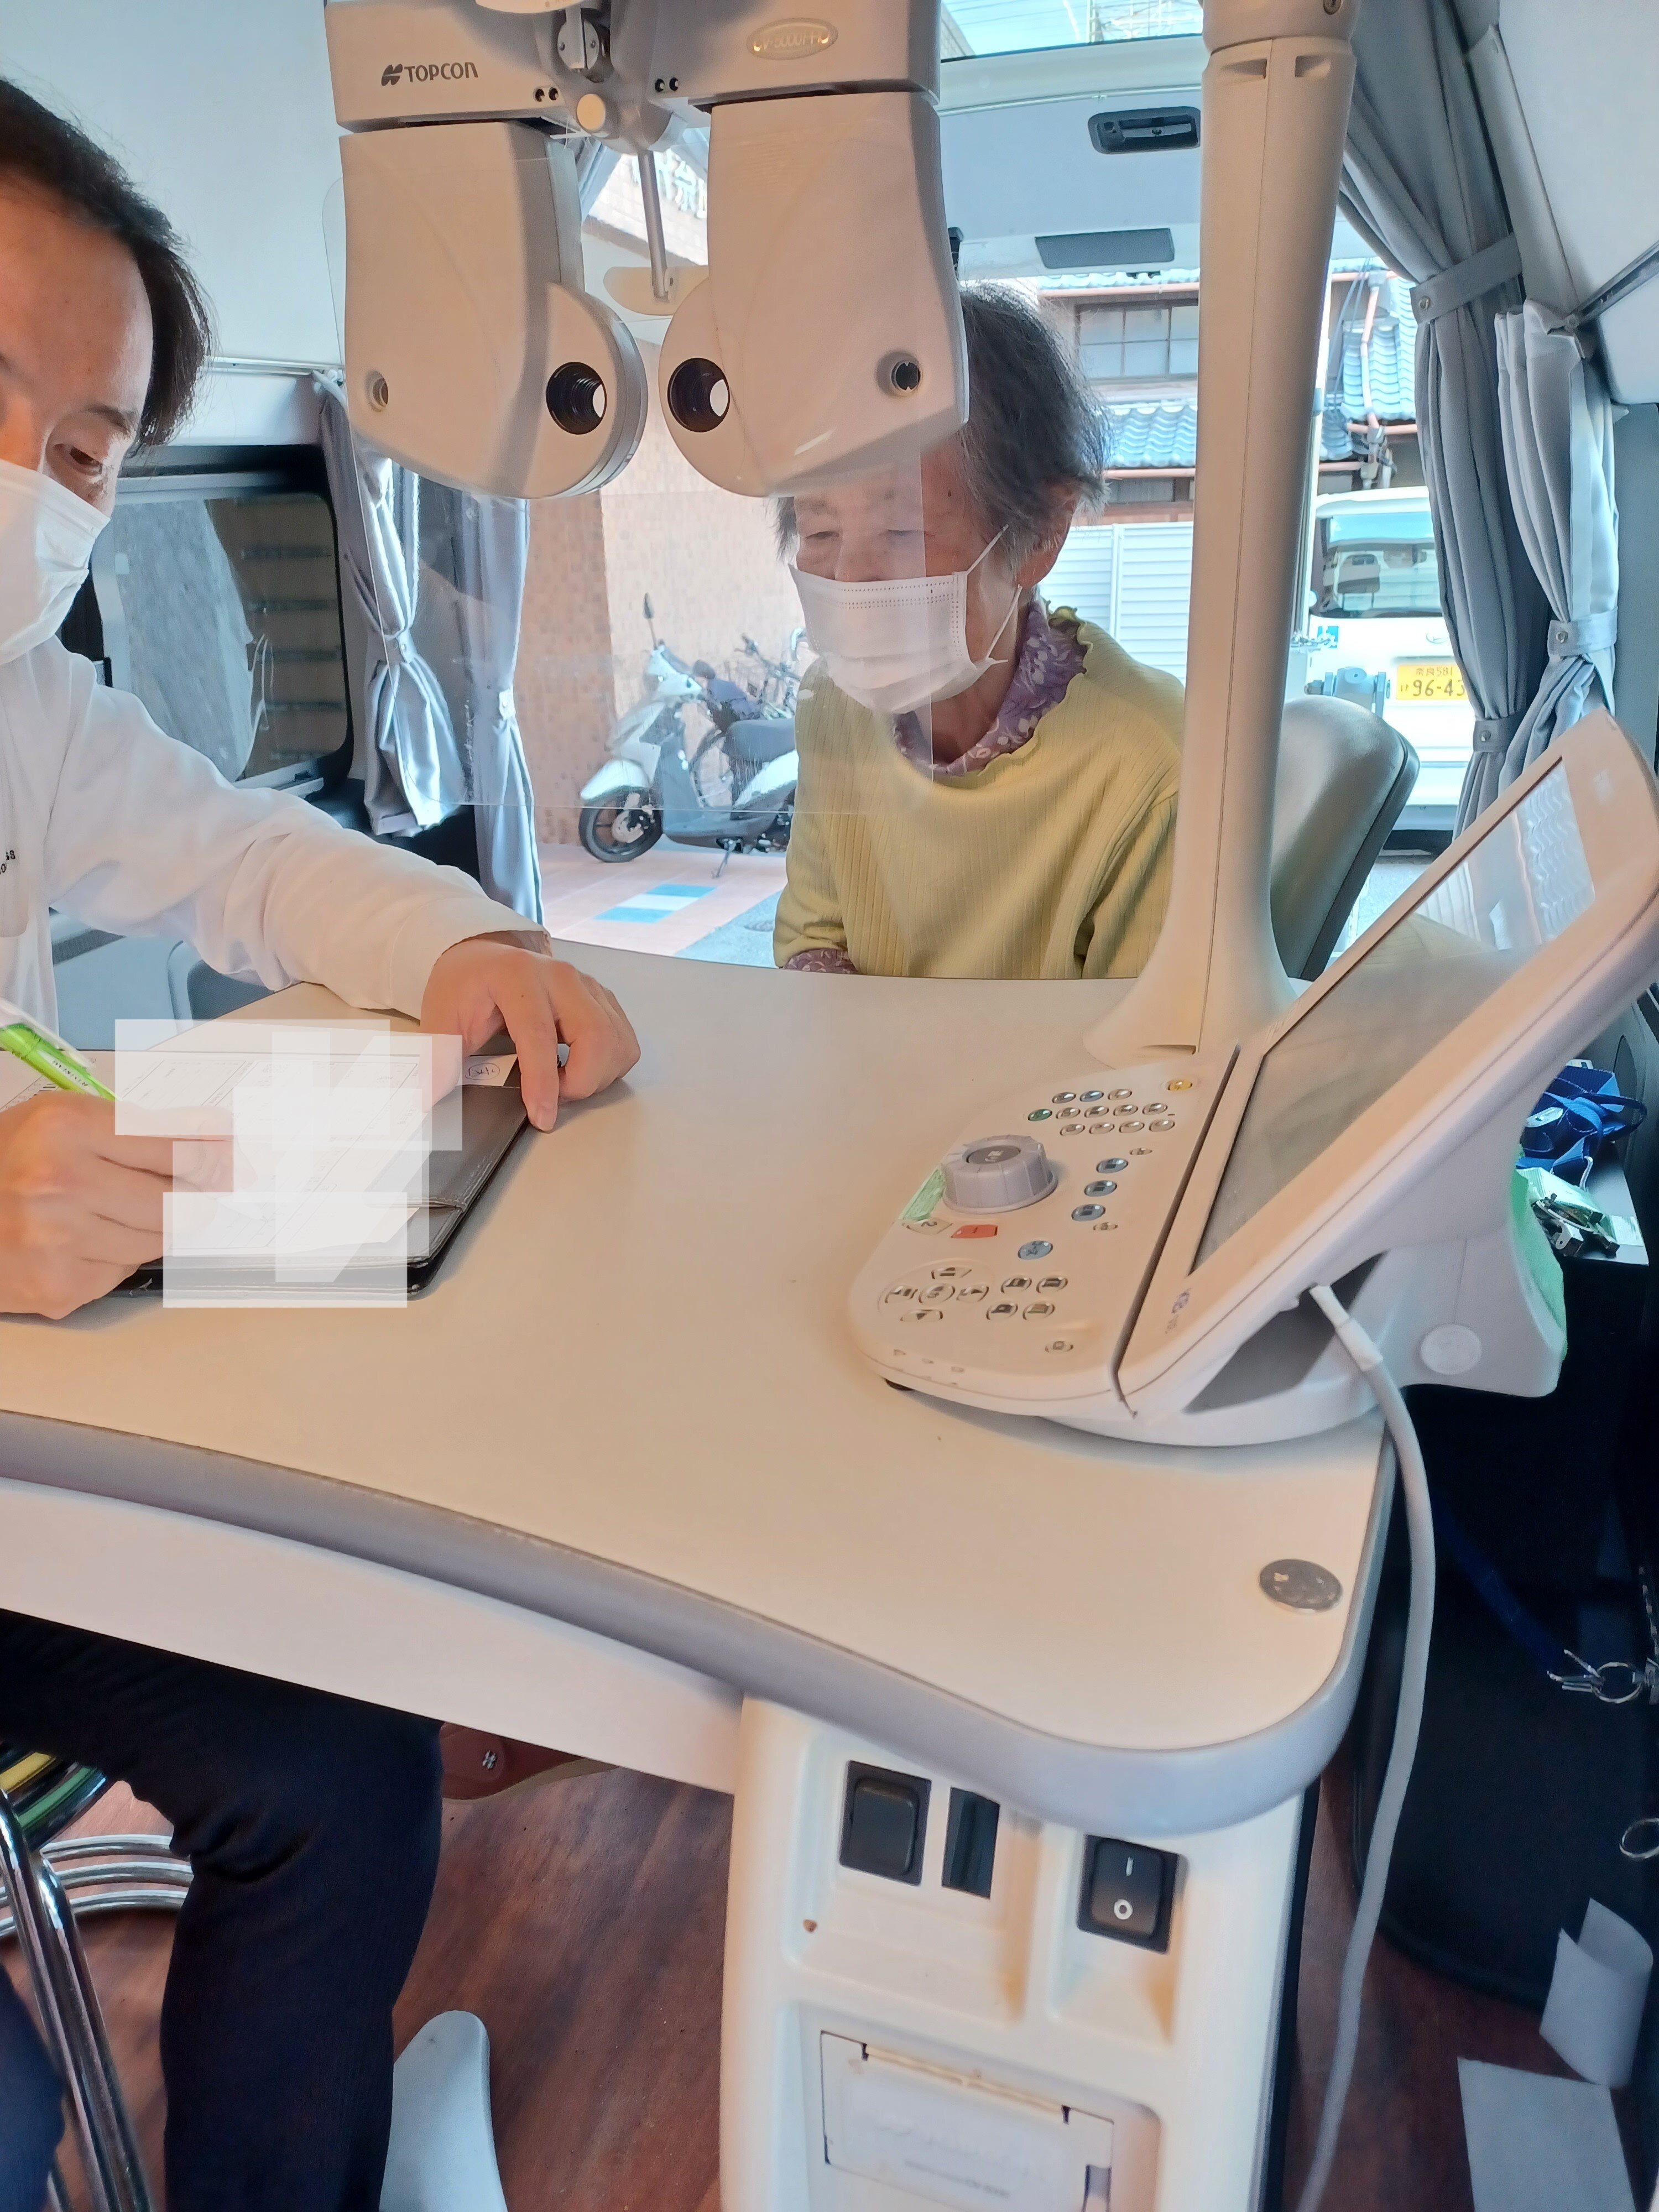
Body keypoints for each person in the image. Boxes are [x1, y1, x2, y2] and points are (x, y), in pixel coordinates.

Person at [0, 81, 638, 2212]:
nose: (27, 480)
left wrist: (469, 942)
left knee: (342, 1765)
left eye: (81, 452)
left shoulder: (24, 703)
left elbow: (248, 856)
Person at [773, 283, 1184, 980]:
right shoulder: (832, 709)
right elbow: (812, 935)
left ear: (1042, 533)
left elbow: (1140, 1033)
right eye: (820, 532)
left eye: (902, 532)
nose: (850, 578)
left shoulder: (1150, 765)